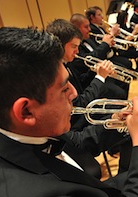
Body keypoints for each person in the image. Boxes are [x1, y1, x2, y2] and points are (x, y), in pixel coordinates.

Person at [0, 27, 138, 197]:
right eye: (64, 89)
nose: (74, 93)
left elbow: (78, 141)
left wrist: (118, 120)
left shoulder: (15, 128)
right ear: (26, 111)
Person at [46, 19, 133, 177]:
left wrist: (96, 72)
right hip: (74, 120)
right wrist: (100, 77)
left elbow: (80, 86)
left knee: (126, 126)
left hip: (78, 115)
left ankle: (124, 179)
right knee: (93, 170)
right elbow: (79, 104)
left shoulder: (66, 63)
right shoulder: (52, 73)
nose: (77, 51)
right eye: (73, 46)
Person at [70, 13, 130, 99]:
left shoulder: (88, 39)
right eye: (86, 27)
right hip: (91, 80)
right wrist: (105, 44)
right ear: (76, 29)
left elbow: (99, 54)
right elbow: (89, 59)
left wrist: (108, 45)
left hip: (98, 72)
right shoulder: (76, 47)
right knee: (119, 93)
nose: (89, 29)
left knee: (124, 79)